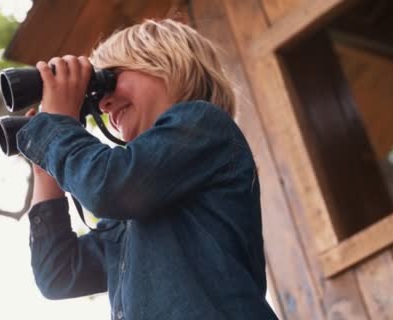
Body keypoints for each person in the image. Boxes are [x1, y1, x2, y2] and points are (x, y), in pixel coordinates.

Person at [16, 19, 278, 320]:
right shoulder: (136, 208)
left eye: (108, 81)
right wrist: (45, 169)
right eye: (97, 98)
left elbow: (109, 186)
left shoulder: (203, 124)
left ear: (167, 65)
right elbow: (59, 274)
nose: (104, 104)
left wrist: (57, 129)